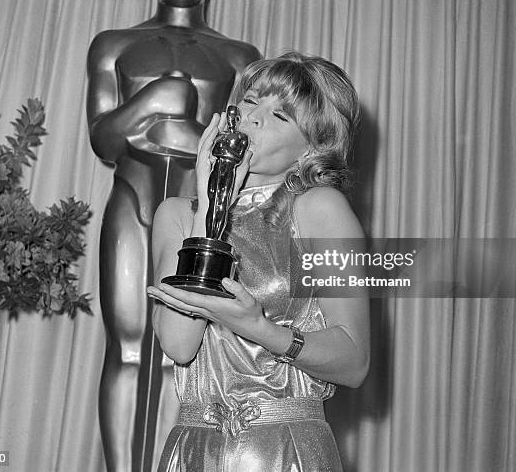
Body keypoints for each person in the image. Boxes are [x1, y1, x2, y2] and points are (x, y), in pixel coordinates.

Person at [86, 0, 261, 471]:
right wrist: (159, 99)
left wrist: (181, 131)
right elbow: (105, 139)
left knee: (178, 354)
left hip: (196, 215)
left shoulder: (238, 57)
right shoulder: (115, 44)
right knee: (128, 347)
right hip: (130, 204)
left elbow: (238, 152)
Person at [147, 52, 370, 471]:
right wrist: (209, 211)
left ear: (312, 149)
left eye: (281, 116)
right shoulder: (177, 214)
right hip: (194, 448)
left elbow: (354, 361)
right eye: (250, 101)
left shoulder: (321, 209)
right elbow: (178, 345)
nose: (254, 118)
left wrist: (259, 329)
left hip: (286, 448)